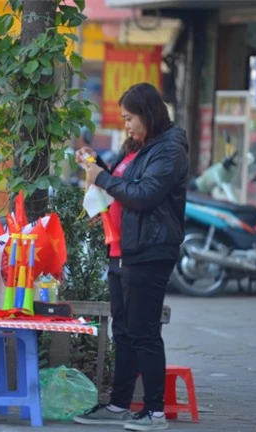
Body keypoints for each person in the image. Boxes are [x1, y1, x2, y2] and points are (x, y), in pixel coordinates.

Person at [73, 83, 188, 431]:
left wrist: (103, 179)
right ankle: (119, 404)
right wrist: (99, 165)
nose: (126, 126)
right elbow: (125, 181)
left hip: (149, 252)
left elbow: (145, 195)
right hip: (121, 249)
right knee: (123, 331)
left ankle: (155, 412)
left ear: (148, 114)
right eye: (123, 119)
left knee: (144, 331)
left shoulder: (170, 150)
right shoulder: (139, 147)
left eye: (129, 118)